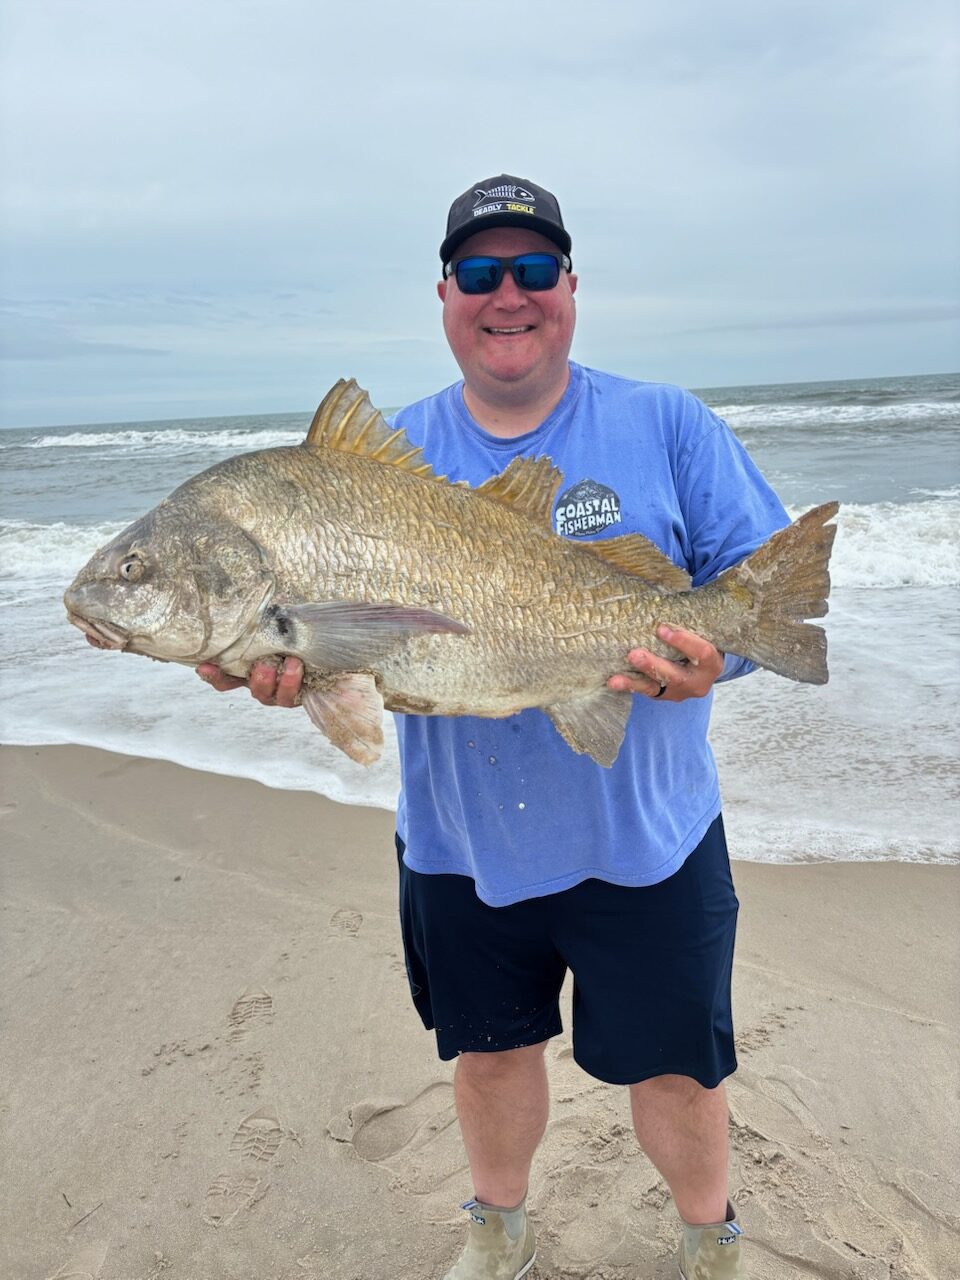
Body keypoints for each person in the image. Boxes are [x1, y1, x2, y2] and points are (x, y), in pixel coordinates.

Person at [198, 174, 788, 1279]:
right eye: (479, 273)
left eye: (530, 270)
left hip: (648, 838)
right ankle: (498, 1233)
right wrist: (267, 668)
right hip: (465, 845)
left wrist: (725, 654)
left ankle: (710, 1241)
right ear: (445, 293)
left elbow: (758, 593)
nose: (505, 294)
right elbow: (330, 652)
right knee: (489, 1051)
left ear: (569, 287)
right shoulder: (372, 466)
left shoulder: (666, 422)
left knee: (676, 1067)